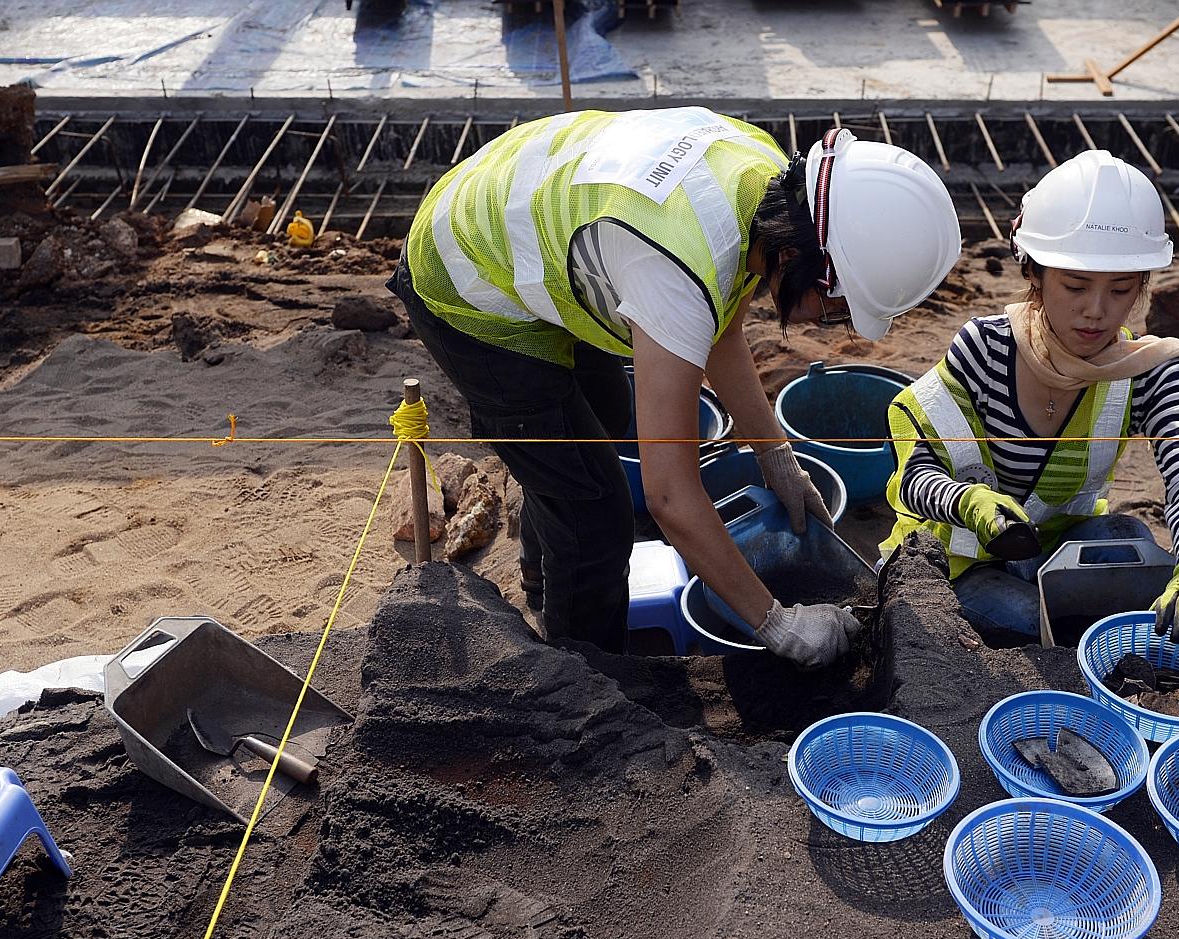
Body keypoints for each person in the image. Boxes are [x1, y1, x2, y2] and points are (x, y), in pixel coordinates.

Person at [388, 107, 962, 666]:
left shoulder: (768, 183)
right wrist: (777, 624)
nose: (829, 322)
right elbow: (669, 498)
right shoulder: (676, 270)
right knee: (595, 516)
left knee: (603, 419)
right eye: (835, 307)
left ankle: (544, 572)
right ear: (795, 256)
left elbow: (721, 329)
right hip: (467, 272)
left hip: (539, 216)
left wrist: (776, 456)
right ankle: (584, 670)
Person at [880, 149, 1179, 645]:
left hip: (1053, 547)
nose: (1096, 311)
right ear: (1035, 274)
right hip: (962, 559)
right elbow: (914, 474)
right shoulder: (985, 349)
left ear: (1141, 286)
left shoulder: (1147, 369)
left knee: (1128, 540)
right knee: (1040, 626)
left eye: (1120, 290)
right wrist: (969, 502)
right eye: (1075, 286)